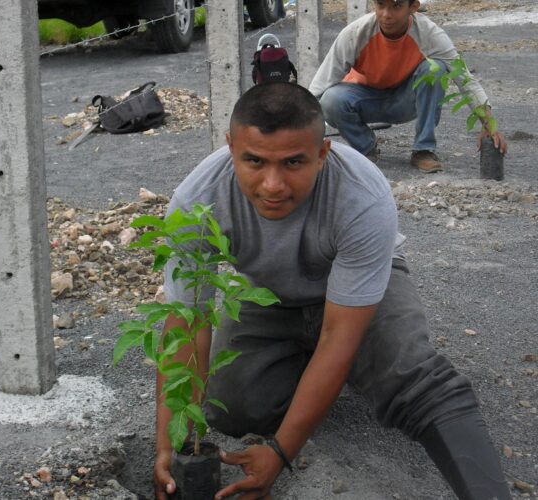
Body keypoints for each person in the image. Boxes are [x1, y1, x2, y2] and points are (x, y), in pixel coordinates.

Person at [154, 82, 511, 500]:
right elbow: (187, 324)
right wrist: (168, 444)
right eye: (253, 161)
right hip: (269, 296)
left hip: (360, 293)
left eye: (293, 162)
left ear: (322, 153)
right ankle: (318, 371)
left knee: (411, 377)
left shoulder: (361, 195)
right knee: (231, 406)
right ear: (231, 147)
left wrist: (280, 452)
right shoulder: (195, 202)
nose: (272, 184)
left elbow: (339, 336)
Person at [309, 0, 508, 173]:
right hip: (363, 99)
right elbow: (320, 86)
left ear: (413, 7)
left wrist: (488, 124)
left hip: (405, 101)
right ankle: (366, 147)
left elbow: (463, 78)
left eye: (396, 6)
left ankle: (423, 149)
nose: (386, 14)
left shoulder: (429, 33)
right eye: (380, 4)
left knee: (436, 69)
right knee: (330, 100)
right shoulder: (355, 33)